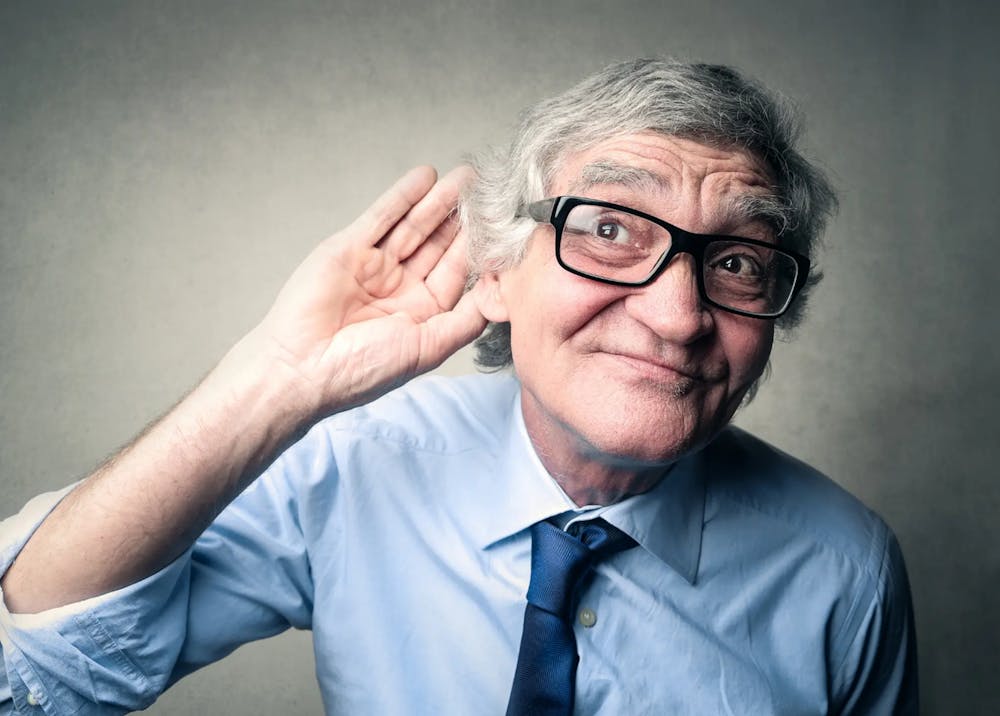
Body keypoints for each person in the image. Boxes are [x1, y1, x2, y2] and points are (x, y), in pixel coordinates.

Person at [0, 58, 917, 714]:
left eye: (741, 263)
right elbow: (40, 672)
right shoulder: (356, 459)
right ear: (495, 272)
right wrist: (275, 381)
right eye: (607, 229)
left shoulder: (845, 569)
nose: (678, 316)